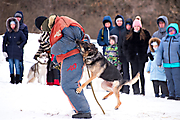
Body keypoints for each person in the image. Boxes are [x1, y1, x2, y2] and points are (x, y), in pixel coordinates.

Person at [35, 15, 91, 118]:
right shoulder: (55, 26)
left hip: (74, 56)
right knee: (68, 84)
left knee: (69, 84)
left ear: (43, 24)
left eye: (41, 28)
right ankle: (79, 107)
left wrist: (54, 49)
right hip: (68, 57)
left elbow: (74, 37)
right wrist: (55, 59)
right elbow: (64, 43)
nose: (43, 31)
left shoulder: (60, 22)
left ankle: (83, 110)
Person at [123, 19, 151, 95]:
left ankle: (142, 90)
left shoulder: (145, 34)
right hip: (133, 57)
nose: (136, 28)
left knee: (141, 73)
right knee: (134, 73)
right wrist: (127, 54)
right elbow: (125, 46)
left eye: (138, 26)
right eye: (135, 26)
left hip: (142, 57)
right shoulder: (129, 34)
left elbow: (149, 44)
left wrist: (147, 54)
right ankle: (136, 90)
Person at [156, 23, 180, 101]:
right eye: (169, 30)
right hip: (167, 64)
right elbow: (160, 51)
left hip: (176, 63)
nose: (171, 32)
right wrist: (158, 61)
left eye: (172, 30)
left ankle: (178, 94)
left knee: (176, 80)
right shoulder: (164, 39)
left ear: (176, 30)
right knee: (169, 80)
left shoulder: (178, 39)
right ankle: (171, 94)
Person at [34, 16, 60, 86]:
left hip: (56, 54)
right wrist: (38, 54)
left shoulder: (53, 31)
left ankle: (57, 82)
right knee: (49, 69)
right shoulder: (43, 35)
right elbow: (41, 46)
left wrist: (50, 49)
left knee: (55, 67)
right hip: (49, 56)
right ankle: (50, 82)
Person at [2, 17, 26, 84]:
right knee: (11, 66)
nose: (12, 26)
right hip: (9, 52)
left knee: (17, 66)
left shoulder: (19, 32)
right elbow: (4, 42)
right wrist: (4, 51)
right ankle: (12, 79)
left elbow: (24, 40)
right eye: (11, 25)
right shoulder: (7, 33)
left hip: (17, 52)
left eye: (13, 25)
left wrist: (20, 46)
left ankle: (18, 79)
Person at [110, 15, 130, 94]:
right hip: (115, 53)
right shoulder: (113, 31)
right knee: (117, 71)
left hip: (124, 53)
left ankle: (126, 88)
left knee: (125, 71)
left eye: (120, 21)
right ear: (115, 22)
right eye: (118, 21)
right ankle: (117, 87)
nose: (119, 23)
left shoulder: (125, 30)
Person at [14, 11, 28, 83]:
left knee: (20, 62)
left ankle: (20, 77)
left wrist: (20, 45)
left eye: (19, 17)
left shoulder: (24, 27)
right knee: (12, 62)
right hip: (12, 47)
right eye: (16, 17)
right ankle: (13, 76)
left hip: (20, 47)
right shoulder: (12, 26)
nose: (18, 19)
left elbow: (25, 38)